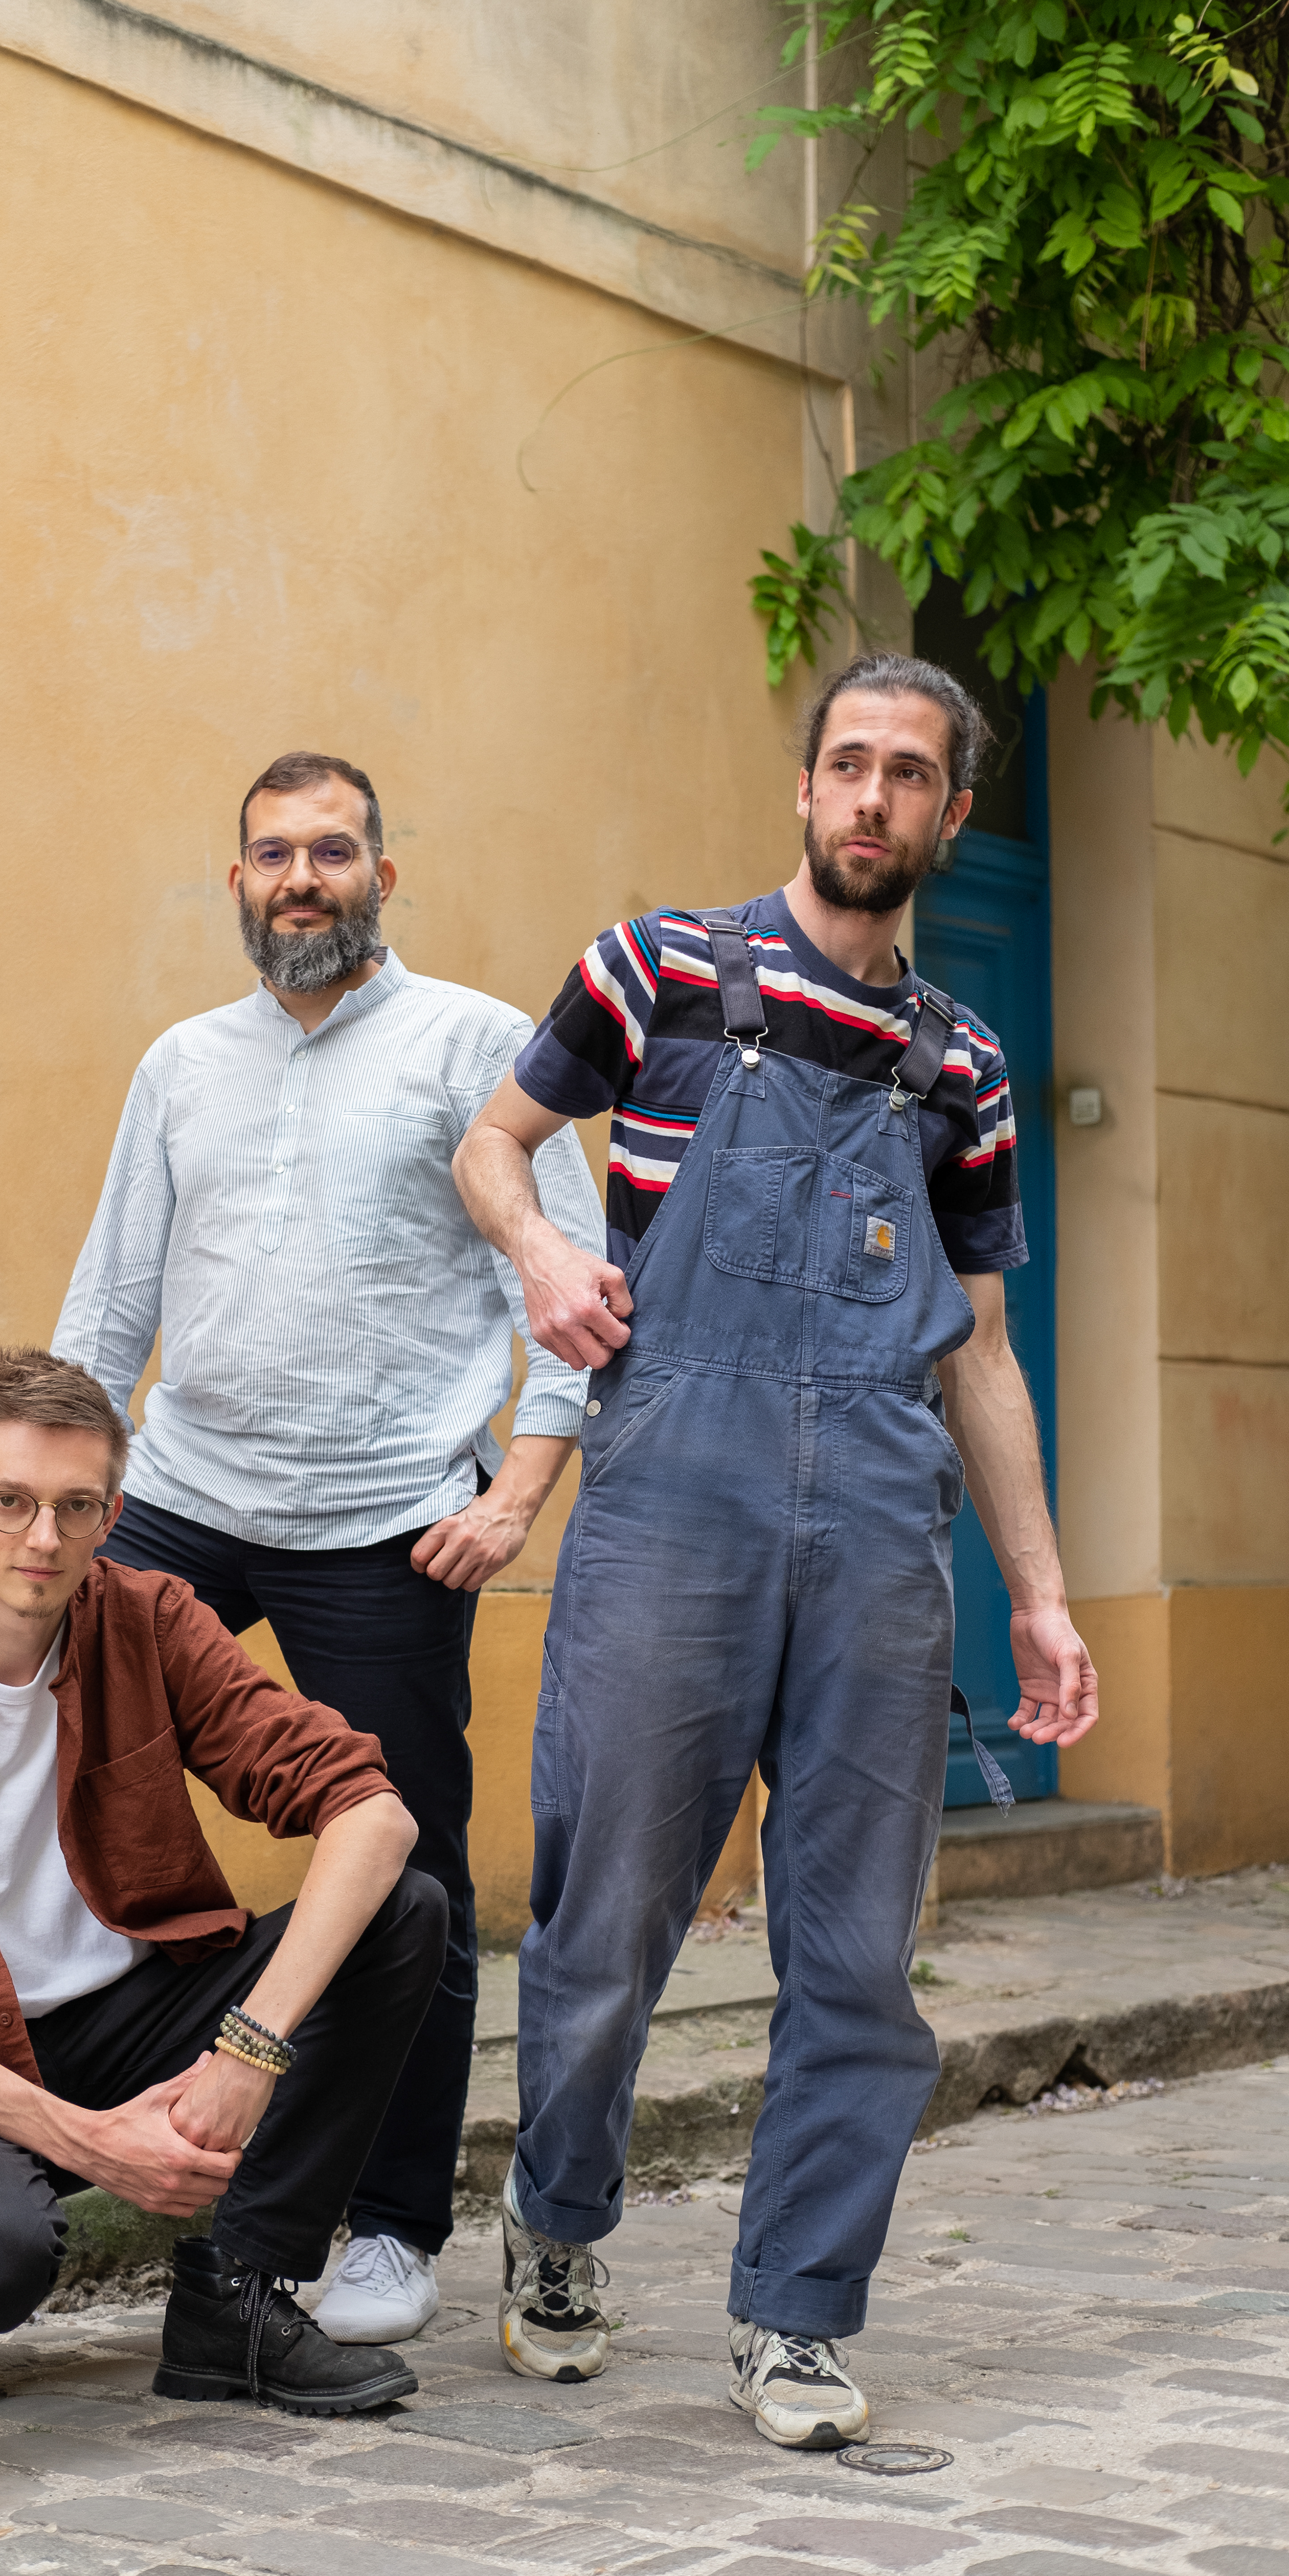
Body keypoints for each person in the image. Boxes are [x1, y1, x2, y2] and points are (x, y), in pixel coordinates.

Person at [452, 654, 1100, 2448]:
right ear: (806, 787)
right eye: (849, 763)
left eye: (910, 773)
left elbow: (980, 1345)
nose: (873, 796)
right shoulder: (658, 967)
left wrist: (1042, 1594)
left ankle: (799, 2312)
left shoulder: (962, 1063)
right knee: (606, 1918)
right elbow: (495, 1142)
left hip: (880, 1534)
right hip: (672, 1505)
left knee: (857, 1951)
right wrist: (546, 1255)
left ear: (951, 813)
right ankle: (558, 2215)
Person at [51, 750, 604, 2344]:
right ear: (237, 879)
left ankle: (391, 2219)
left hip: (388, 1527)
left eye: (334, 851)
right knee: (21, 1768)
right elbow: (112, 1302)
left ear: (383, 873)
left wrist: (513, 1500)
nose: (304, 878)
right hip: (180, 1499)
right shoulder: (182, 1063)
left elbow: (570, 1290)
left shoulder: (475, 1047)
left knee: (408, 1871)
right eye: (275, 853)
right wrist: (60, 1499)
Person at [0, 1346, 448, 2418]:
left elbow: (374, 1813)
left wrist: (250, 2051)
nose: (43, 1539)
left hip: (127, 2022)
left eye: (75, 1508)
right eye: (11, 1502)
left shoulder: (151, 1621)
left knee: (406, 1913)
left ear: (111, 1515)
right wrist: (86, 2142)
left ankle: (237, 2301)